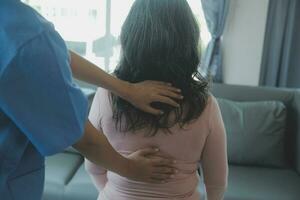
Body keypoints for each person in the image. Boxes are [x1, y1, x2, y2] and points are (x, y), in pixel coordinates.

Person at [0, 0, 182, 199]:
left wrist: (126, 89)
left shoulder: (21, 34)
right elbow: (86, 141)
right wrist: (131, 169)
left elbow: (48, 55)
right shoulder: (24, 35)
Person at [85, 0, 228, 199]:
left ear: (130, 37)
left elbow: (93, 167)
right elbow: (217, 182)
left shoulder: (107, 94)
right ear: (188, 41)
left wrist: (115, 194)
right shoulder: (205, 104)